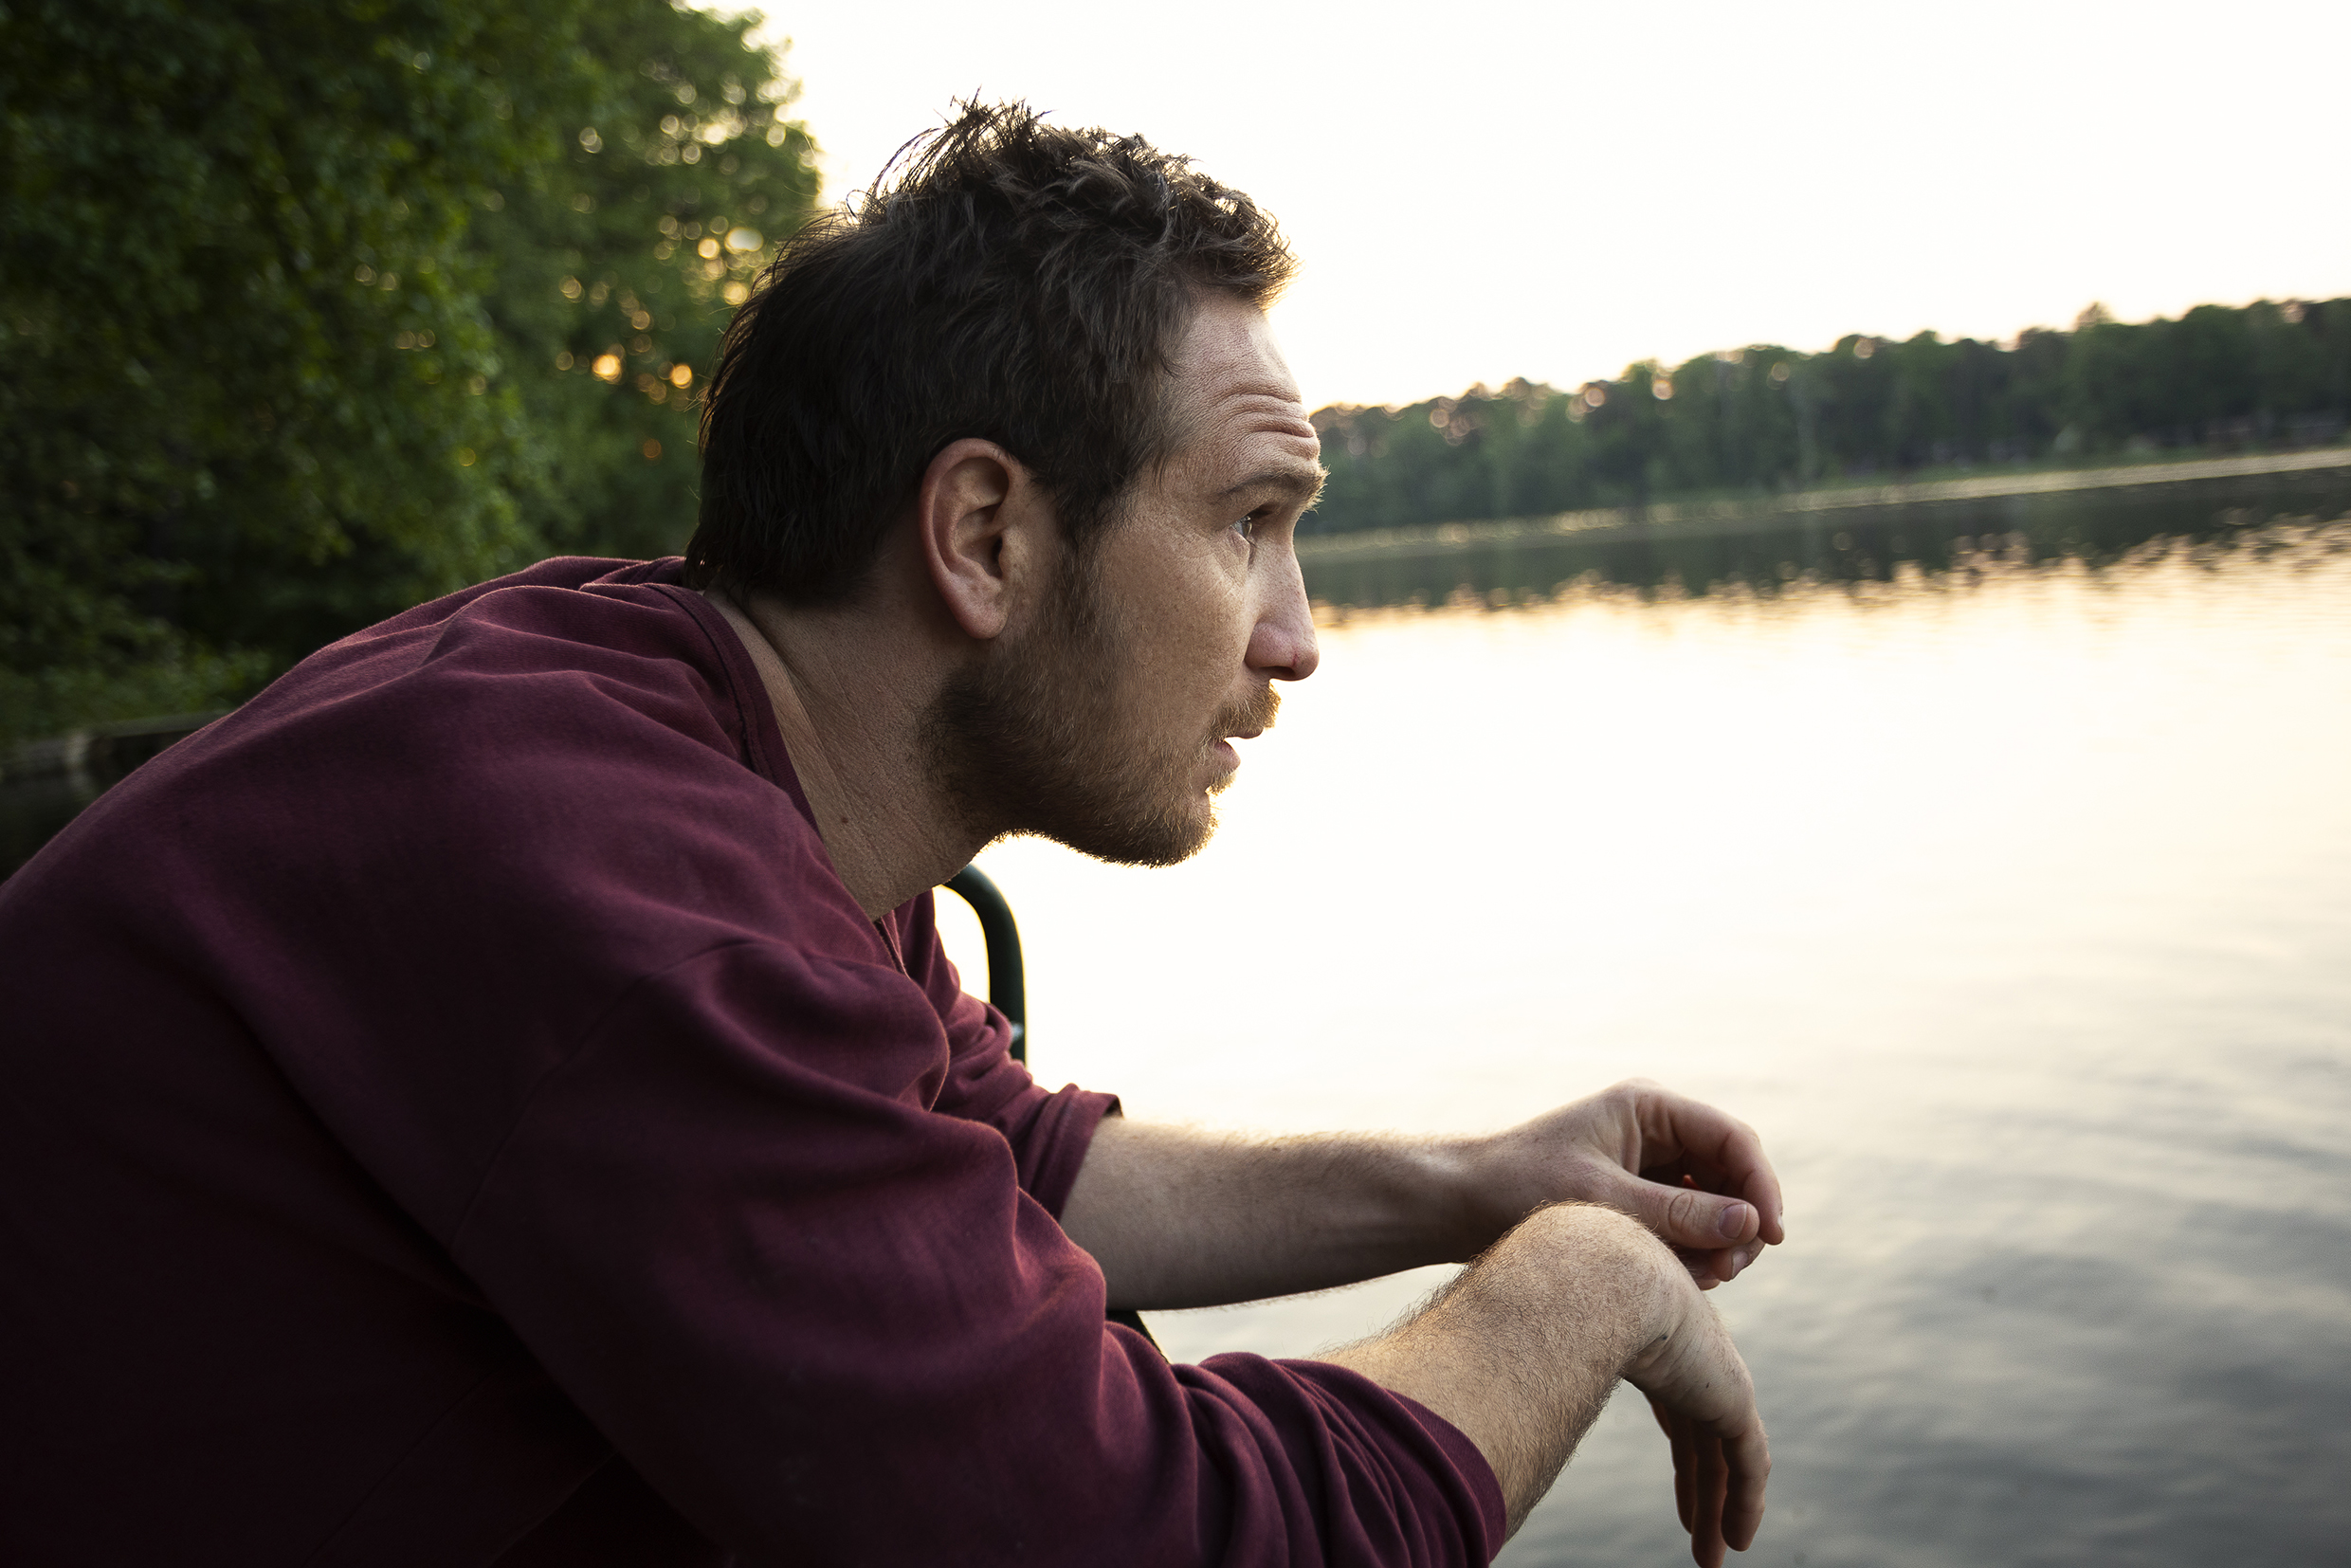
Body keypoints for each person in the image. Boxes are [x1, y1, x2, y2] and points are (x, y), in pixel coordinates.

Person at [0, 102, 1777, 1567]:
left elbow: (1001, 1152)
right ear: (986, 535)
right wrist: (1584, 1281)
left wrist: (1483, 1183)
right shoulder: (614, 888)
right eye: (1249, 521)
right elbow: (1150, 1544)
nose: (1297, 632)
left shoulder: (685, 732)